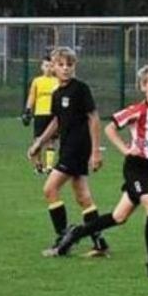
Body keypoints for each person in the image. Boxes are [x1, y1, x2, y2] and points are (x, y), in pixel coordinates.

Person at [47, 62, 148, 277]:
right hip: (135, 168)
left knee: (119, 217)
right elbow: (110, 128)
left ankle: (76, 233)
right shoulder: (137, 111)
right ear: (143, 87)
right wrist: (125, 150)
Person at [26, 47, 108, 257]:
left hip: (77, 147)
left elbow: (94, 117)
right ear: (52, 67)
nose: (65, 69)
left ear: (75, 67)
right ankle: (99, 243)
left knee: (49, 189)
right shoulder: (57, 93)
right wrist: (39, 143)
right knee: (83, 197)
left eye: (69, 65)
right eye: (61, 65)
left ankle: (64, 236)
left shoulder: (80, 89)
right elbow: (56, 121)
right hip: (68, 147)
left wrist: (96, 151)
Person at [21, 55, 59, 173]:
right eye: (46, 66)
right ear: (42, 67)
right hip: (40, 113)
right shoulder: (37, 81)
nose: (48, 68)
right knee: (38, 139)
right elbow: (32, 96)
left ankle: (49, 166)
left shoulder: (57, 81)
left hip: (53, 114)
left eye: (51, 66)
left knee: (51, 140)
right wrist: (28, 110)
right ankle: (38, 165)